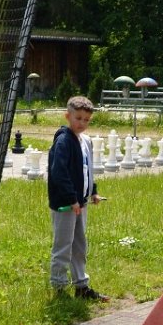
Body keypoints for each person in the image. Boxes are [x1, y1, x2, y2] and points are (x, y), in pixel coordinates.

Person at [47, 95, 108, 300]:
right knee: (63, 246)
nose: (82, 123)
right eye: (78, 118)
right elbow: (59, 173)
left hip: (80, 203)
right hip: (66, 204)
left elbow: (86, 170)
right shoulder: (63, 141)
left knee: (80, 245)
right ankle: (59, 288)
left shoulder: (85, 141)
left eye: (86, 120)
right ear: (68, 116)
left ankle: (81, 286)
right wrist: (72, 199)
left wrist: (93, 192)